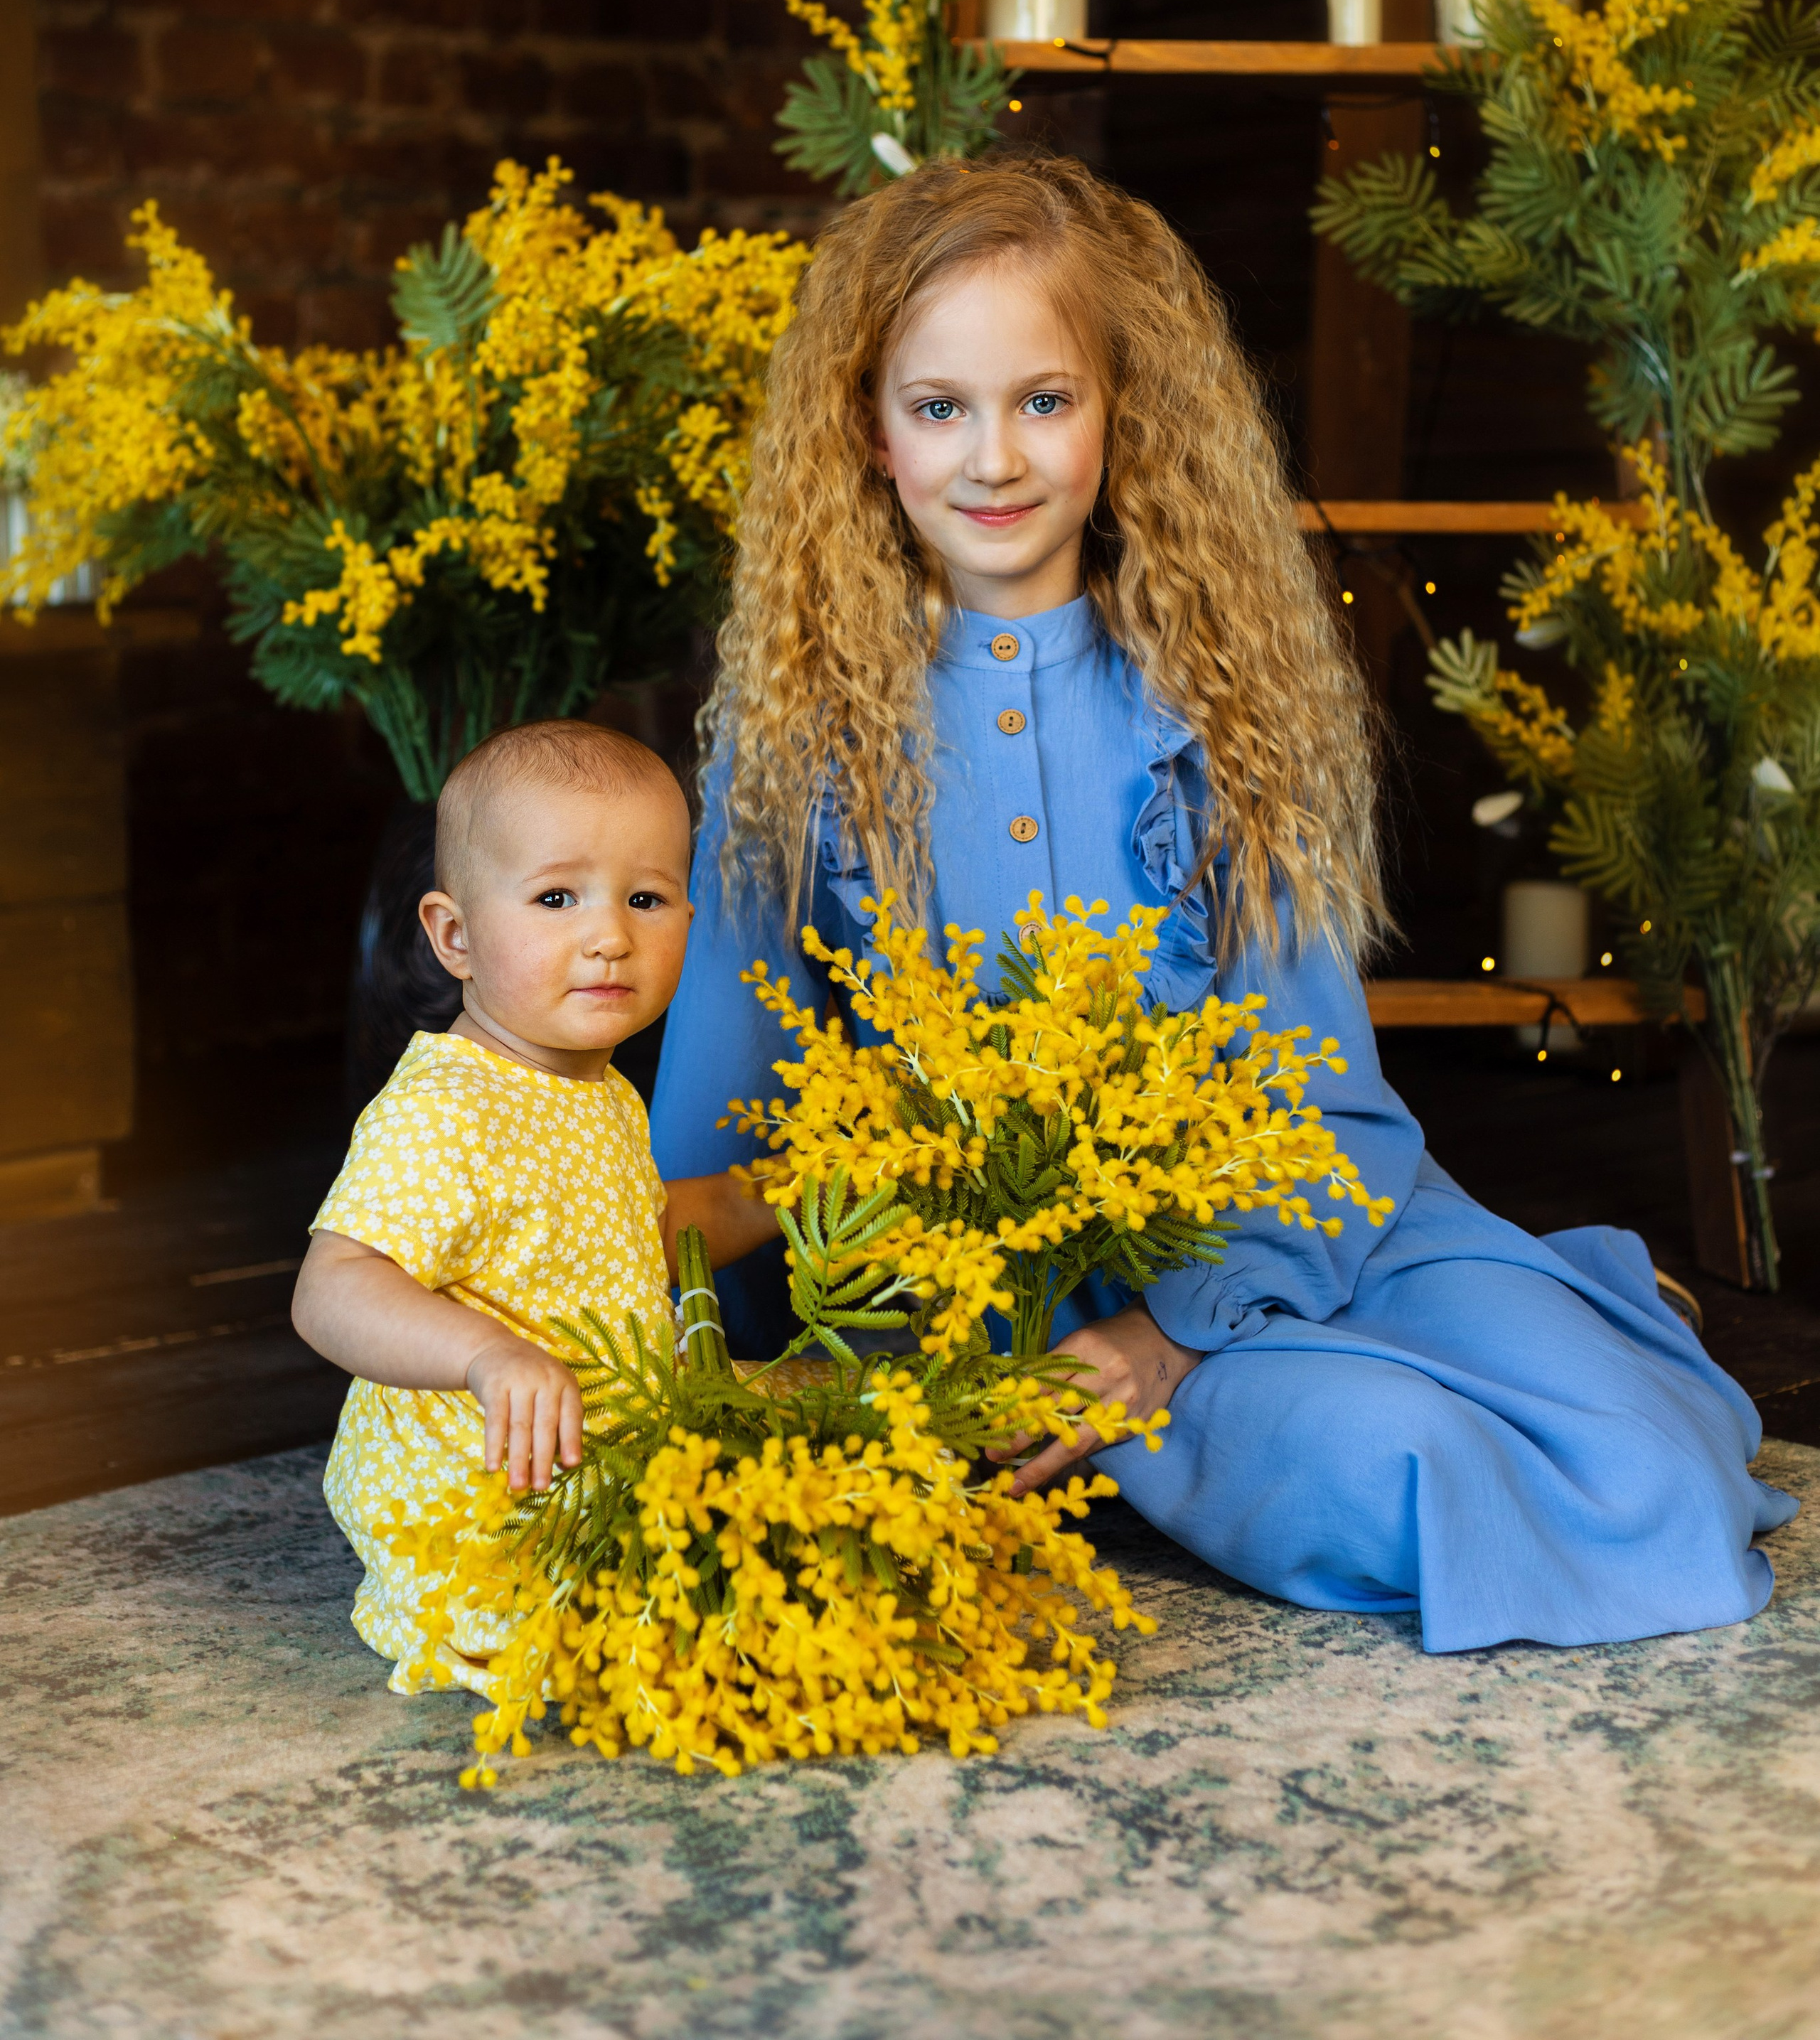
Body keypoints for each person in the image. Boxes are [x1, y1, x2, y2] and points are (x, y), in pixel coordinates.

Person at [649, 154, 1797, 1654]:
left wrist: (1166, 1334)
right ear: (867, 432)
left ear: (1124, 414)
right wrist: (687, 1342)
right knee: (1406, 1462)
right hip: (979, 1287)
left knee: (1654, 1461)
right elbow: (731, 1085)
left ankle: (1559, 1314)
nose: (992, 458)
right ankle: (1234, 1429)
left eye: (1042, 402)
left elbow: (1314, 1082)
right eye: (939, 408)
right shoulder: (797, 724)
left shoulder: (1225, 697)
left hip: (1284, 1227)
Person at [293, 718, 774, 1692]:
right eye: (557, 898)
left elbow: (633, 1234)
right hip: (482, 1497)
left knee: (801, 1435)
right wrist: (486, 1356)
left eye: (646, 898)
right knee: (686, 1612)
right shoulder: (448, 1106)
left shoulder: (597, 1090)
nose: (608, 936)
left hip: (603, 1443)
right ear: (454, 935)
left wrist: (780, 1196)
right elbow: (332, 1288)